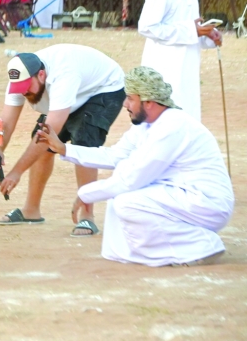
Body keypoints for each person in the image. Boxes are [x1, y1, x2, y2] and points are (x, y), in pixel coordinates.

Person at [37, 67, 233, 266]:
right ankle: (153, 252)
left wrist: (86, 193)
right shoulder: (147, 125)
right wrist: (64, 150)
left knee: (127, 201)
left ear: (148, 102)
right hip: (182, 196)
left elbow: (132, 178)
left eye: (130, 98)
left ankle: (202, 246)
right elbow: (115, 155)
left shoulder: (172, 127)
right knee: (120, 197)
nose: (124, 104)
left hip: (206, 202)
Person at [0, 46, 126, 235]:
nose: (24, 93)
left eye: (26, 88)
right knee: (39, 143)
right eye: (19, 89)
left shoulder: (63, 75)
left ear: (41, 75)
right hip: (71, 92)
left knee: (83, 142)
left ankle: (87, 217)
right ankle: (31, 210)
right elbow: (3, 122)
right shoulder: (18, 78)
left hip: (103, 89)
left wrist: (16, 172)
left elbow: (50, 131)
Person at [138, 0, 220, 121]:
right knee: (165, 117)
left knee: (186, 115)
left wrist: (209, 35)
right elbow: (147, 27)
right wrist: (192, 30)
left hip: (188, 65)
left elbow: (192, 26)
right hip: (164, 66)